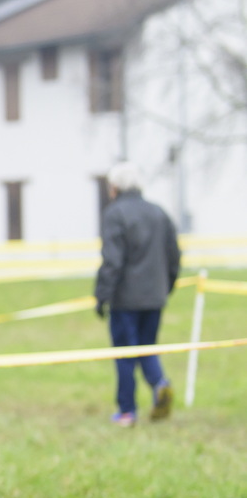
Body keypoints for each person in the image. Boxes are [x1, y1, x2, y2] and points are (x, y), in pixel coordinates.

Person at [94, 162, 181, 427]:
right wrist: (166, 286)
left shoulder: (114, 214)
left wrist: (102, 295)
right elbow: (174, 255)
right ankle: (160, 384)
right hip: (154, 296)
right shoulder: (159, 212)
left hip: (125, 299)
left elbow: (113, 260)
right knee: (148, 346)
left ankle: (127, 411)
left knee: (125, 353)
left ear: (115, 187)